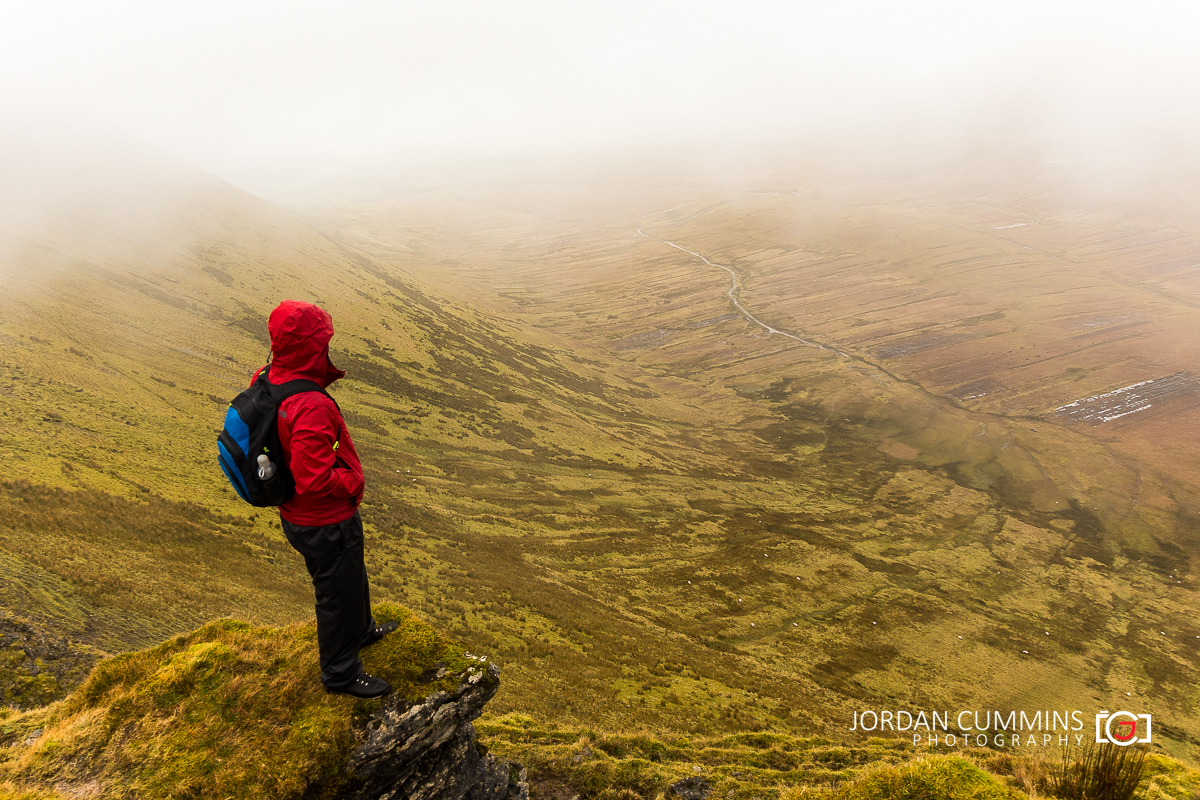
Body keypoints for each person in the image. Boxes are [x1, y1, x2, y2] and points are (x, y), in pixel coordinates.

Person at [256, 299, 397, 698]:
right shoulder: (310, 405)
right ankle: (340, 673)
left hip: (300, 513)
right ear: (313, 345)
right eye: (323, 340)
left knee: (351, 578)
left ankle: (364, 630)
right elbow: (314, 477)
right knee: (336, 592)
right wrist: (352, 482)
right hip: (324, 518)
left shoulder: (266, 377)